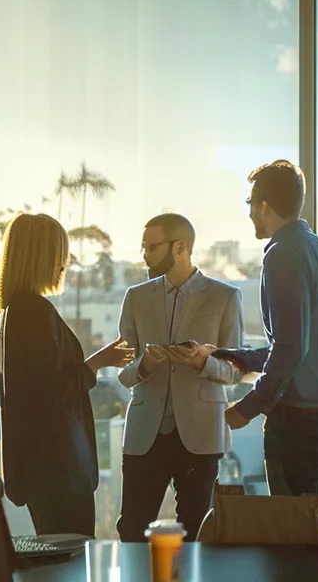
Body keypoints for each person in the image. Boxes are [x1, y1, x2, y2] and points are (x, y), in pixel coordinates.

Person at [175, 160, 318, 534]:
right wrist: (224, 355)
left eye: (249, 203)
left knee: (294, 548)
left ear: (263, 205)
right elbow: (298, 347)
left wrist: (248, 408)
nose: (248, 213)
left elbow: (291, 348)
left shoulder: (282, 255)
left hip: (301, 433)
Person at [0, 212, 135, 536]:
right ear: (42, 256)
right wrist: (97, 363)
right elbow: (51, 391)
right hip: (58, 471)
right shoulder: (34, 312)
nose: (65, 261)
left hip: (39, 470)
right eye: (60, 253)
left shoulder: (13, 312)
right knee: (69, 559)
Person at [114, 213, 247, 542]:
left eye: (151, 247)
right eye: (143, 247)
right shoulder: (136, 297)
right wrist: (145, 364)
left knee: (197, 533)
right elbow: (124, 372)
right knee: (131, 530)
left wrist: (202, 362)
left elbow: (236, 370)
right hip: (146, 434)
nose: (144, 254)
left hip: (201, 434)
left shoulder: (225, 297)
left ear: (180, 247)